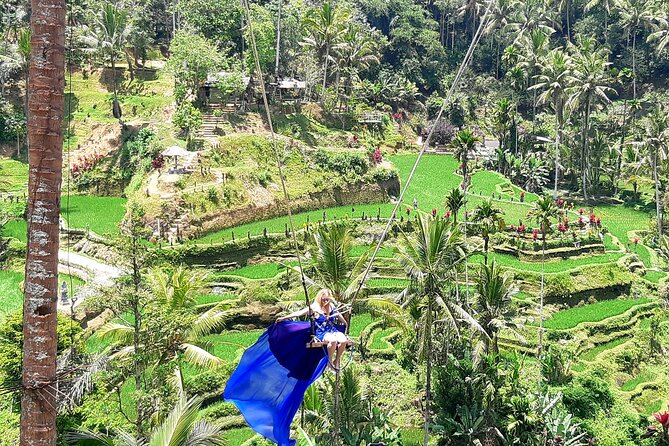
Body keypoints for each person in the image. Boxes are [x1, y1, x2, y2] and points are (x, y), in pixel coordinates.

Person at [277, 289, 349, 370]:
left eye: (327, 299)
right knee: (332, 341)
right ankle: (330, 362)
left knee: (343, 340)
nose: (325, 301)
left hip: (333, 330)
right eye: (324, 299)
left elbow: (338, 314)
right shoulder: (314, 307)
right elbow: (299, 313)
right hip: (322, 332)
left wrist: (345, 322)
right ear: (320, 298)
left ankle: (337, 360)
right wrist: (284, 318)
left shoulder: (331, 306)